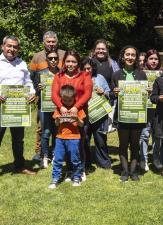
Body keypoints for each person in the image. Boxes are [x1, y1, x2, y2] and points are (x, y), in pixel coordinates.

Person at [0, 35, 37, 179]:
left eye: (15, 47)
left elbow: (27, 81)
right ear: (3, 46)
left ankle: (20, 166)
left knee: (18, 140)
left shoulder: (22, 64)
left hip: (18, 107)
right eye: (9, 46)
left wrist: (32, 92)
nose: (12, 49)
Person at [52, 50, 93, 182]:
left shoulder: (84, 75)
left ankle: (80, 170)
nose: (70, 64)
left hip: (80, 114)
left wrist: (76, 107)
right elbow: (54, 95)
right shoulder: (58, 76)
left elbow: (87, 94)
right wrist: (61, 107)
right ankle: (69, 170)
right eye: (68, 61)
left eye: (73, 61)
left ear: (78, 63)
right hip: (63, 114)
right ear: (64, 62)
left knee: (78, 143)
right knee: (64, 142)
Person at [110, 45, 147, 182]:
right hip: (123, 115)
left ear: (136, 57)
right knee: (123, 144)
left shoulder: (142, 74)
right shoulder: (116, 75)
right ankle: (124, 171)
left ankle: (133, 171)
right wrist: (114, 93)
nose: (130, 57)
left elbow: (144, 97)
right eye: (127, 55)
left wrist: (147, 92)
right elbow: (111, 96)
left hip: (137, 115)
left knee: (135, 144)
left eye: (133, 55)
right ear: (123, 56)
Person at [29, 31, 66, 161]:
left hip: (60, 100)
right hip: (44, 100)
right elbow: (31, 78)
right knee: (42, 127)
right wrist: (36, 89)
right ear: (44, 42)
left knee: (58, 127)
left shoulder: (63, 55)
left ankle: (58, 152)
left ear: (57, 42)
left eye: (53, 41)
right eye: (48, 41)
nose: (51, 44)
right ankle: (40, 152)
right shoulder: (37, 57)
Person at [49, 85, 86, 188]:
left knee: (75, 159)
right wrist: (57, 119)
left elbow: (82, 124)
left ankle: (77, 177)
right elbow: (56, 124)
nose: (67, 102)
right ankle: (55, 178)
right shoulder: (59, 109)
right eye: (65, 100)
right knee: (58, 159)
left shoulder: (78, 109)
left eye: (69, 100)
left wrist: (77, 119)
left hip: (74, 138)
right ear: (61, 99)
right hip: (60, 138)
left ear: (74, 98)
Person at [81, 57, 111, 169]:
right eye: (84, 69)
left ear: (93, 68)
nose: (87, 71)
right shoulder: (79, 79)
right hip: (84, 114)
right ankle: (85, 163)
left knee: (100, 139)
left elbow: (109, 93)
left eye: (89, 68)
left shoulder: (100, 78)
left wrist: (104, 92)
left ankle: (103, 163)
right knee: (85, 139)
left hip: (99, 114)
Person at [33, 50, 59, 168]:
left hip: (58, 107)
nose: (53, 60)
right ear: (47, 60)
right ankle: (44, 157)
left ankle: (54, 155)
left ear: (58, 60)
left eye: (55, 58)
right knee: (46, 132)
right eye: (50, 58)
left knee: (56, 132)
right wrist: (38, 88)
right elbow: (34, 88)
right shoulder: (40, 73)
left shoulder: (61, 73)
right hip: (44, 107)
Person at [140, 49, 163, 171]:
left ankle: (156, 158)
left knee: (157, 135)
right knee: (144, 134)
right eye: (151, 58)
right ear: (146, 60)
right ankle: (143, 160)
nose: (153, 61)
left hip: (158, 108)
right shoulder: (140, 73)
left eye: (156, 59)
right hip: (145, 108)